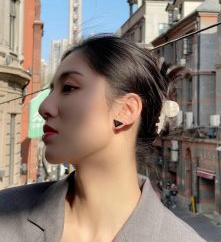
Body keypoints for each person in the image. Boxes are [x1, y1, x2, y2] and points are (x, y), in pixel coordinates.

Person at [0, 34, 206, 242]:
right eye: (52, 90)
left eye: (69, 88)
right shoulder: (5, 215)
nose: (44, 107)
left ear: (125, 110)